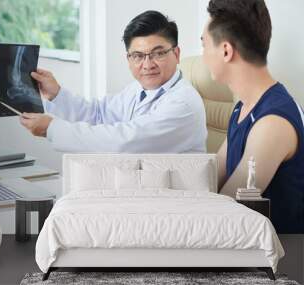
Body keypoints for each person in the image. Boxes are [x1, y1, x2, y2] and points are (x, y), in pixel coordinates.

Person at [20, 10, 207, 153]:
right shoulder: (137, 89)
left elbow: (124, 141)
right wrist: (56, 94)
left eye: (158, 53)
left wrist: (51, 128)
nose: (147, 64)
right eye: (138, 55)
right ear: (128, 59)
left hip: (173, 198)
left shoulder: (183, 103)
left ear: (176, 54)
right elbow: (98, 115)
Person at [201, 0, 304, 233]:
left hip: (278, 261)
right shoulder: (243, 108)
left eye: (204, 44)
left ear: (226, 51)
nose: (203, 55)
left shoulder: (272, 123)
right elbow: (211, 176)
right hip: (245, 249)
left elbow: (229, 212)